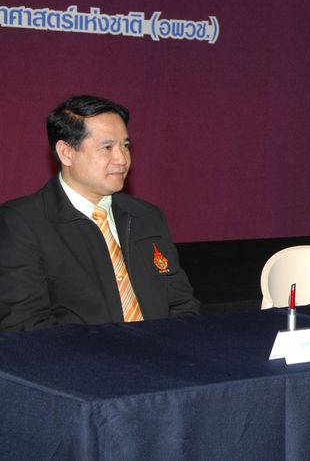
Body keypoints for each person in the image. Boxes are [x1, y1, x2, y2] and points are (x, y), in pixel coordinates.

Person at [0, 95, 199, 331]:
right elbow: (26, 325)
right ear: (66, 152)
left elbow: (182, 305)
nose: (122, 159)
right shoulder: (22, 223)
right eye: (107, 147)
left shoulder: (146, 216)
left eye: (125, 146)